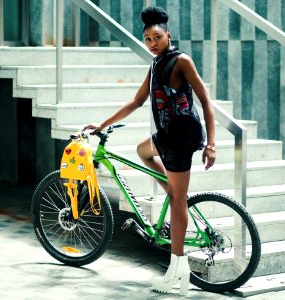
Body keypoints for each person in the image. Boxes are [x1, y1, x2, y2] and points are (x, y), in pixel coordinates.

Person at [83, 6, 216, 296]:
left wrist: (211, 144)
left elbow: (205, 101)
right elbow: (136, 101)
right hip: (165, 135)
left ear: (168, 35)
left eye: (157, 37)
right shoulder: (155, 65)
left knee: (179, 199)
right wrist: (102, 124)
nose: (152, 43)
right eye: (147, 39)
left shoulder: (181, 61)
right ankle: (171, 191)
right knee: (142, 151)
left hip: (182, 136)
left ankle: (177, 270)